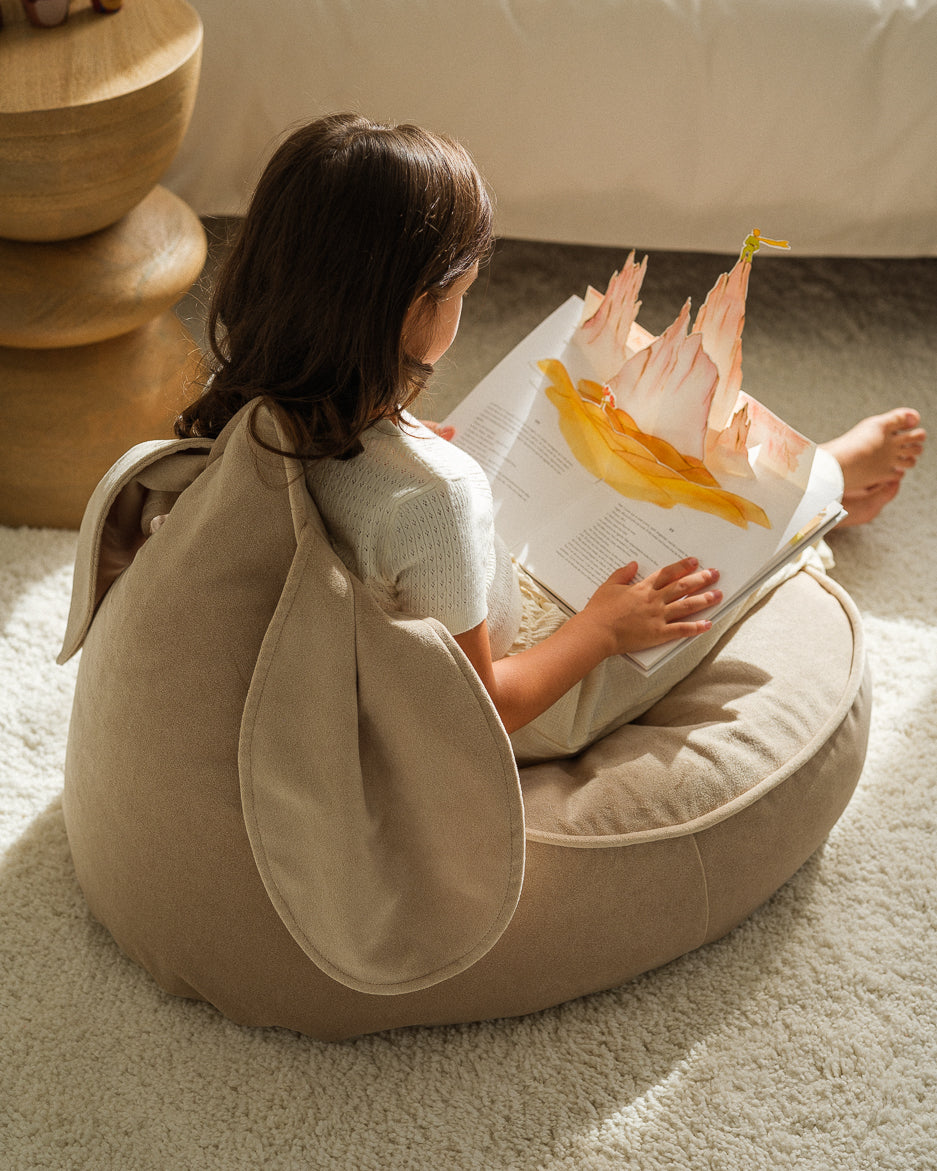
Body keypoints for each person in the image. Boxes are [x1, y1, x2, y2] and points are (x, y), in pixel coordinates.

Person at [173, 113, 925, 762]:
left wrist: (400, 447)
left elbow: (352, 514)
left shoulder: (253, 402)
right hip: (505, 698)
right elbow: (486, 710)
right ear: (413, 311)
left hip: (375, 647)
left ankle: (822, 488)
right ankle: (821, 489)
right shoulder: (435, 498)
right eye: (462, 294)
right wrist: (602, 630)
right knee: (723, 575)